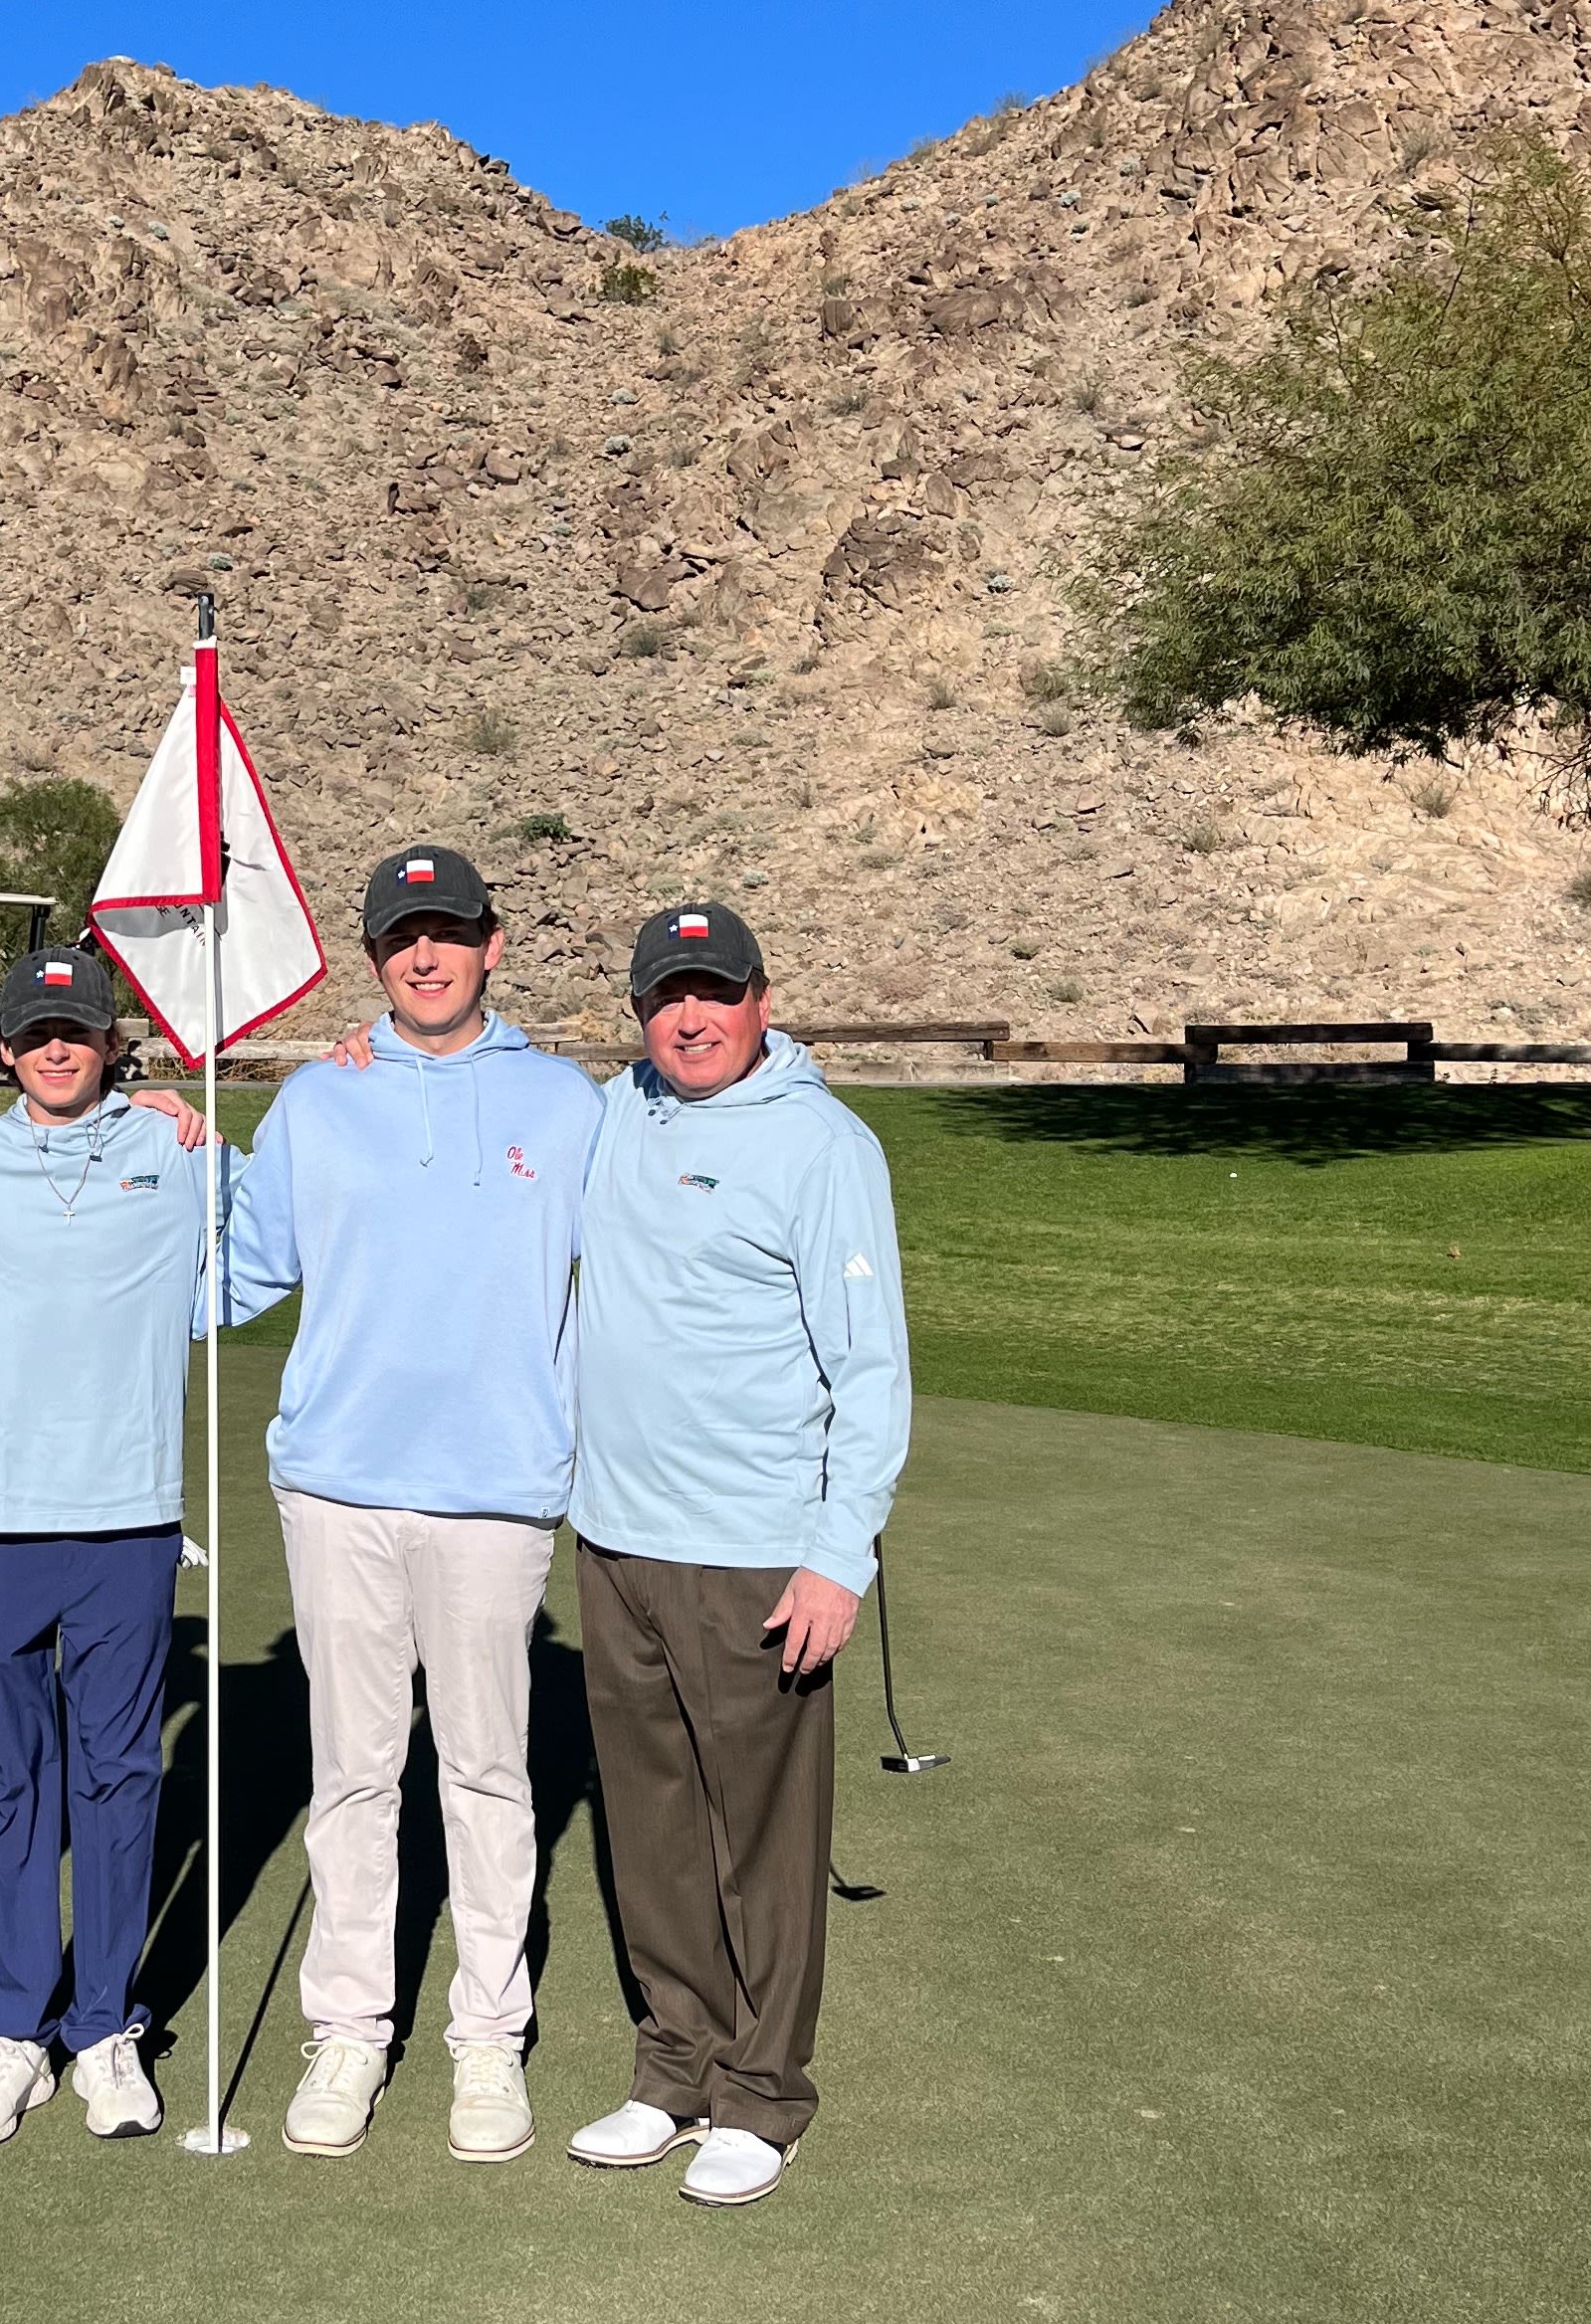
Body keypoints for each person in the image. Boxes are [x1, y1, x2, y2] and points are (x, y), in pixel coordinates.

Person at [219, 844, 605, 2165]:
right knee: (354, 1775)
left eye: (448, 932)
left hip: (499, 1491)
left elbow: (635, 1275)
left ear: (492, 942)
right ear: (374, 954)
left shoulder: (567, 1105)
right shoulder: (319, 1103)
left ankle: (488, 2040)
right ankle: (349, 2028)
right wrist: (160, 1148)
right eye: (401, 938)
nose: (425, 956)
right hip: (338, 1484)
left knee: (492, 1776)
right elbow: (236, 1274)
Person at [562, 900, 911, 2210]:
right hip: (617, 1536)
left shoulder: (824, 1146)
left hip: (759, 1550)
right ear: (640, 1008)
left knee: (759, 1837)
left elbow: (871, 1370)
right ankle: (676, 2066)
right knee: (651, 1825)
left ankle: (763, 2093)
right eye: (667, 996)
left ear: (762, 997)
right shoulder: (616, 1112)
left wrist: (839, 1557)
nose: (690, 1018)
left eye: (713, 991)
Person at [0, 943, 220, 2151]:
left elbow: (266, 1242)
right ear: (4, 1048)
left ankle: (103, 2028)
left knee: (121, 1775)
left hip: (129, 1517)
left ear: (111, 1043)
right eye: (38, 1031)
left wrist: (207, 1119)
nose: (57, 1047)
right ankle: (12, 2029)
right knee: (9, 1776)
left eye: (79, 1031)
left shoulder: (171, 1150)